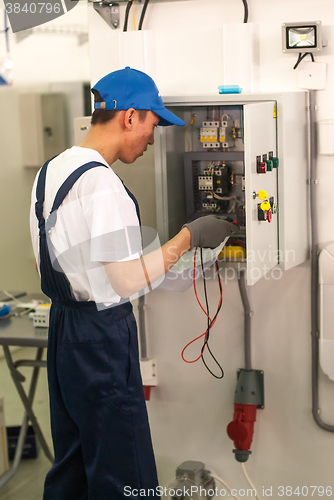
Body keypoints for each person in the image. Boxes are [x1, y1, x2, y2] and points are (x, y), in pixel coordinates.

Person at [30, 67, 239, 500]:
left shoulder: (52, 170)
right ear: (129, 117)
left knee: (72, 464)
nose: (152, 137)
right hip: (100, 336)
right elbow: (124, 280)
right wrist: (189, 237)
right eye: (151, 123)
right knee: (124, 469)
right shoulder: (102, 184)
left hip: (65, 328)